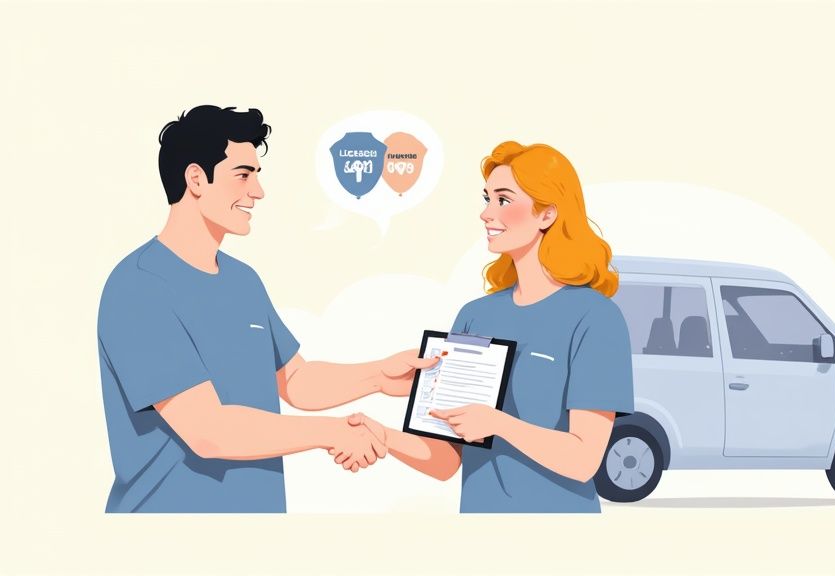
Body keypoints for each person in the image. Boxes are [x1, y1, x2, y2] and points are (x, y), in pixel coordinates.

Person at [97, 105, 437, 513]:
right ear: (195, 179)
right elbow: (209, 430)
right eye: (243, 175)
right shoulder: (139, 287)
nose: (258, 192)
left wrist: (380, 375)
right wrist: (333, 433)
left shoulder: (243, 281)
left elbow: (296, 380)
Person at [348, 141, 633, 513]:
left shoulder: (596, 318)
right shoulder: (475, 316)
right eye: (486, 199)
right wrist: (382, 435)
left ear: (546, 213)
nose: (485, 214)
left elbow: (583, 461)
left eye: (502, 200)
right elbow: (445, 460)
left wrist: (499, 423)